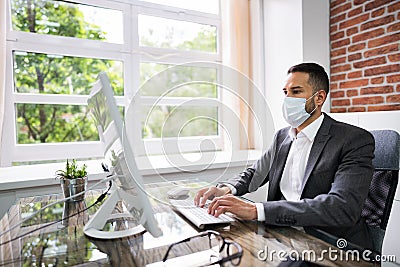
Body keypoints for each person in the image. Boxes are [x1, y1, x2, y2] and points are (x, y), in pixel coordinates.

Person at [194, 62, 375, 250]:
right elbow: (256, 173)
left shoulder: (353, 140)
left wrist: (256, 210)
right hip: (283, 235)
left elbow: (342, 207)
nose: (288, 99)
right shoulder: (282, 136)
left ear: (319, 97)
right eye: (286, 92)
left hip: (329, 244)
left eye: (296, 92)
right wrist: (227, 189)